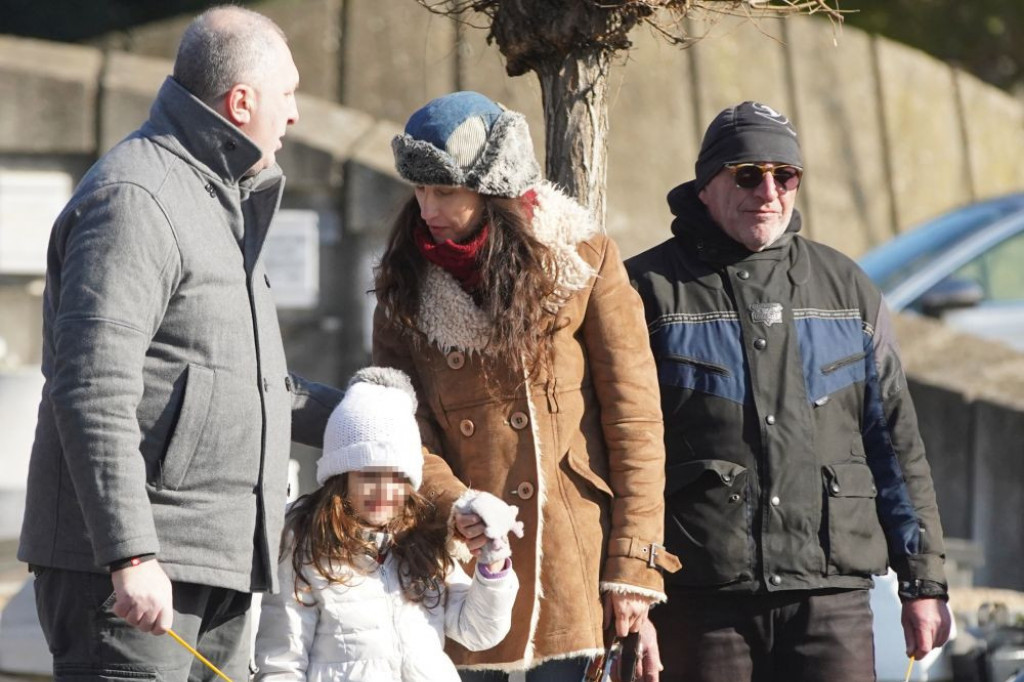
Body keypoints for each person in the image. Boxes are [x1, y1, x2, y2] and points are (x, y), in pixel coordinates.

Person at [18, 6, 342, 680]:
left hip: (215, 568)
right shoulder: (135, 198)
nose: (294, 115)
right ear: (241, 101)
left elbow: (244, 390)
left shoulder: (220, 198)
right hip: (138, 580)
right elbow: (92, 389)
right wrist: (131, 554)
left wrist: (370, 415)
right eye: (287, 94)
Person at [625, 100, 952, 682]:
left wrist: (923, 582)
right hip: (700, 598)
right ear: (706, 185)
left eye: (786, 175)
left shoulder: (847, 287)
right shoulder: (644, 290)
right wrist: (630, 591)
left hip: (831, 598)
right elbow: (618, 455)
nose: (769, 191)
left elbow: (896, 446)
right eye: (748, 174)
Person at [373, 90, 679, 681]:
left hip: (573, 562)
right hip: (464, 566)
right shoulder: (404, 286)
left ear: (494, 188)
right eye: (419, 189)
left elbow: (635, 420)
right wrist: (455, 503)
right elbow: (403, 429)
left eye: (445, 190)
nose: (427, 208)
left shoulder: (582, 260)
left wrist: (633, 568)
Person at [254, 367, 521, 681]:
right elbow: (283, 662)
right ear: (341, 477)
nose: (383, 491)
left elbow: (477, 631)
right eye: (369, 475)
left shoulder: (422, 541)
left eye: (396, 477)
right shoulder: (307, 546)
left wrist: (493, 564)